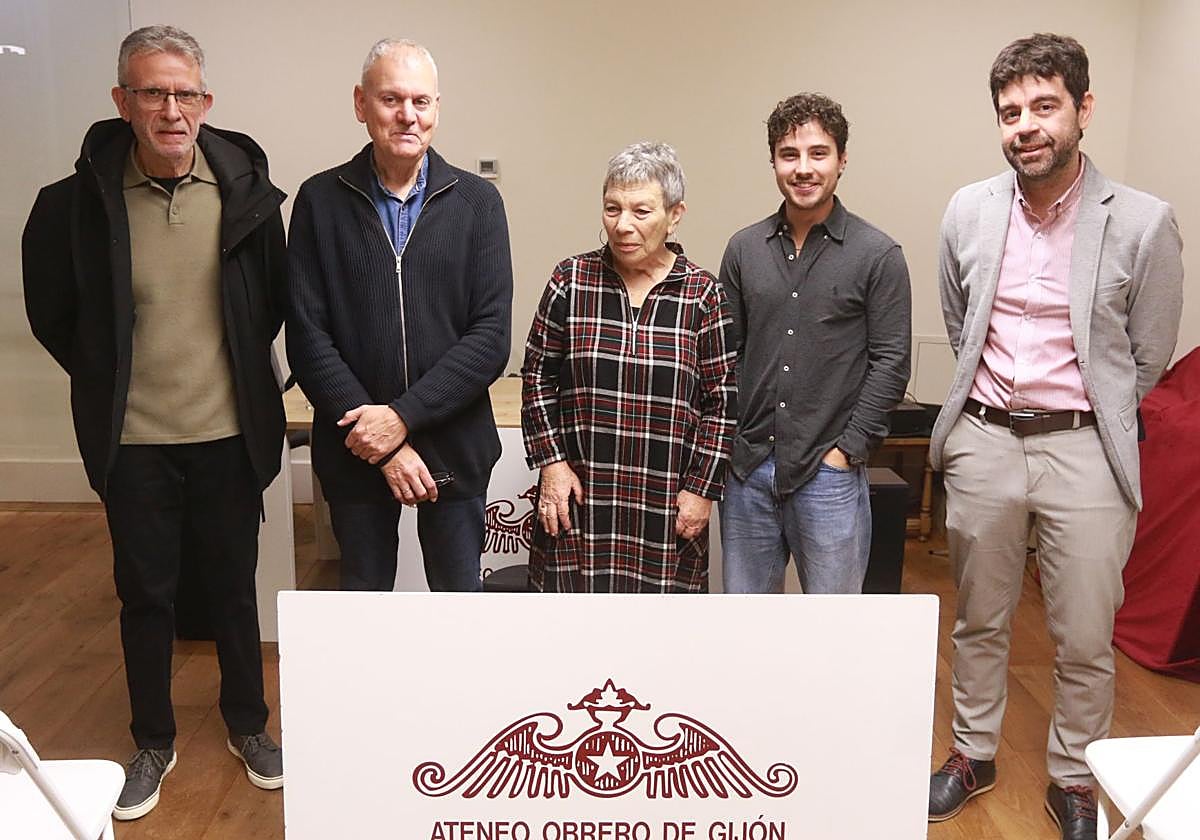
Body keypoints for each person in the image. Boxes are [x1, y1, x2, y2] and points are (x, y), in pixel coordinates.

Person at [22, 25, 286, 820]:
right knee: (145, 595)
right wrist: (113, 382)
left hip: (228, 435)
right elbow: (55, 317)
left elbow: (272, 301)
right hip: (133, 442)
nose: (171, 109)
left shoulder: (245, 194)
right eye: (153, 92)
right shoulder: (71, 206)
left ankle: (249, 725)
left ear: (205, 101)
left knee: (235, 592)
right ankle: (152, 741)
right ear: (122, 102)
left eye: (185, 93)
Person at [926, 33, 1184, 840]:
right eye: (1011, 112)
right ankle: (974, 752)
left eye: (1045, 107)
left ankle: (1076, 772)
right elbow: (958, 315)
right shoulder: (969, 208)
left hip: (1085, 450)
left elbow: (1148, 354)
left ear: (1083, 110)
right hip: (985, 440)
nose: (1026, 125)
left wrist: (1089, 420)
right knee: (980, 616)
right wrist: (978, 428)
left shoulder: (1143, 222)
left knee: (1082, 628)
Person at [287, 39, 512, 592]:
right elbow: (308, 336)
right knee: (364, 610)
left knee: (459, 610)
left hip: (455, 443)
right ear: (361, 104)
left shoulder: (478, 203)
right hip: (355, 448)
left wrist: (401, 418)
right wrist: (381, 438)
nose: (408, 115)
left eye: (421, 101)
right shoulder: (319, 200)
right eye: (391, 99)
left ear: (437, 108)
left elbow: (490, 337)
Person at [521, 142, 736, 592]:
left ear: (675, 215)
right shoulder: (571, 280)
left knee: (657, 644)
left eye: (641, 211)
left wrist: (701, 489)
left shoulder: (703, 294)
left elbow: (721, 402)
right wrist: (552, 465)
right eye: (612, 208)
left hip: (666, 504)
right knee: (571, 636)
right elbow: (538, 376)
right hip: (581, 498)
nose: (623, 226)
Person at [718, 93, 911, 594]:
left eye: (818, 153)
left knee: (832, 634)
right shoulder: (743, 249)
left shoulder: (878, 254)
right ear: (774, 163)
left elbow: (891, 363)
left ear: (842, 160)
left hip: (829, 474)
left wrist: (847, 451)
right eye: (790, 155)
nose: (804, 168)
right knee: (747, 628)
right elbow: (724, 355)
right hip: (748, 472)